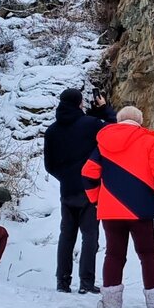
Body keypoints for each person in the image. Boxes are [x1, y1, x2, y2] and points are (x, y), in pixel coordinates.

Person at [81, 105, 154, 308]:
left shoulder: (103, 142)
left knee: (113, 255)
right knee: (148, 254)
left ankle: (110, 306)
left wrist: (96, 199)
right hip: (141, 208)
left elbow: (88, 173)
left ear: (119, 120)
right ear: (139, 121)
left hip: (110, 209)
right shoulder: (149, 140)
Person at [43, 86, 116, 294]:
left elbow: (49, 165)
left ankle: (62, 282)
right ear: (79, 103)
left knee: (66, 236)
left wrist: (66, 177)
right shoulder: (91, 124)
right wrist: (104, 110)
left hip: (67, 191)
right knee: (90, 236)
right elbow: (113, 131)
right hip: (90, 188)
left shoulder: (52, 131)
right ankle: (86, 282)